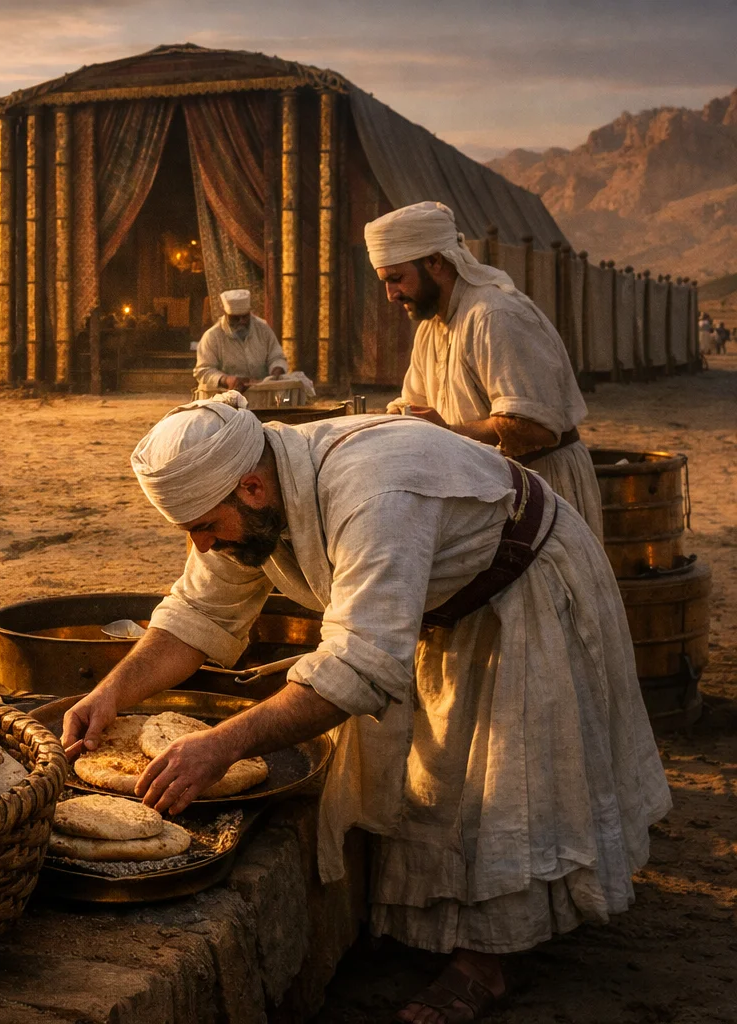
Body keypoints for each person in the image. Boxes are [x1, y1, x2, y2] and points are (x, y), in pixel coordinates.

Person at [62, 394, 669, 1024]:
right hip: (445, 601)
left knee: (510, 781)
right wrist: (110, 692)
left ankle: (489, 964)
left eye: (206, 526)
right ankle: (443, 923)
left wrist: (223, 745)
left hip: (524, 585)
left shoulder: (374, 493)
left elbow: (360, 664)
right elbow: (197, 615)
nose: (203, 544)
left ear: (251, 487)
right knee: (442, 772)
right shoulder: (245, 495)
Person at [368, 202, 602, 538]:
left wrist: (447, 431)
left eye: (396, 278)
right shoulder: (431, 328)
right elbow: (414, 403)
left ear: (434, 261)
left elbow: (534, 427)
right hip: (491, 491)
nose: (390, 295)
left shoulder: (495, 316)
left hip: (544, 489)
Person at [193, 289, 288, 394]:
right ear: (225, 314)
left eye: (245, 317)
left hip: (261, 393)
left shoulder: (263, 329)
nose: (241, 322)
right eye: (235, 318)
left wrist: (276, 372)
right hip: (225, 399)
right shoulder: (212, 336)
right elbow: (203, 370)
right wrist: (226, 379)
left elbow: (276, 356)